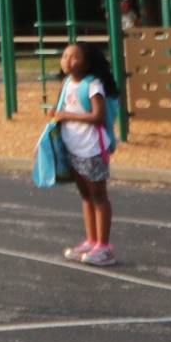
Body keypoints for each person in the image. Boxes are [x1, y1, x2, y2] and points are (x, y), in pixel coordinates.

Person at [50, 43, 117, 266]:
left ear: (87, 62)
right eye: (65, 55)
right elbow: (62, 112)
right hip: (73, 147)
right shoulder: (67, 83)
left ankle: (104, 247)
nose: (68, 60)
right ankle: (91, 241)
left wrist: (66, 115)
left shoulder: (93, 85)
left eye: (74, 57)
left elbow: (98, 116)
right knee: (86, 196)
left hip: (92, 149)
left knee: (98, 196)